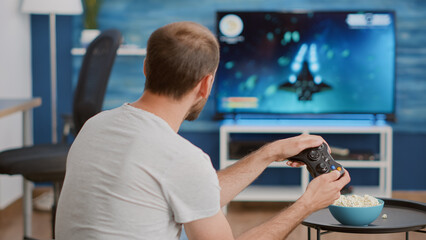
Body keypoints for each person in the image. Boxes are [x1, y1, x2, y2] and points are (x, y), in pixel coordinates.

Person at [55, 21, 351, 240]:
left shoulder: (95, 125)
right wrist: (306, 204)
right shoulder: (180, 158)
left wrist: (269, 153)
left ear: (146, 67)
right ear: (206, 84)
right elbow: (188, 180)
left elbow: (193, 191)